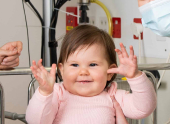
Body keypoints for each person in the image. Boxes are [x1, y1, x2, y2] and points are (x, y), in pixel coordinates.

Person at [25, 25, 156, 124]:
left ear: (110, 72)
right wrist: (44, 93)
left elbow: (144, 108)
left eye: (93, 65)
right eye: (75, 65)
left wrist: (135, 76)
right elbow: (36, 121)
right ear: (62, 70)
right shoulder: (57, 94)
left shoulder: (113, 96)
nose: (83, 72)